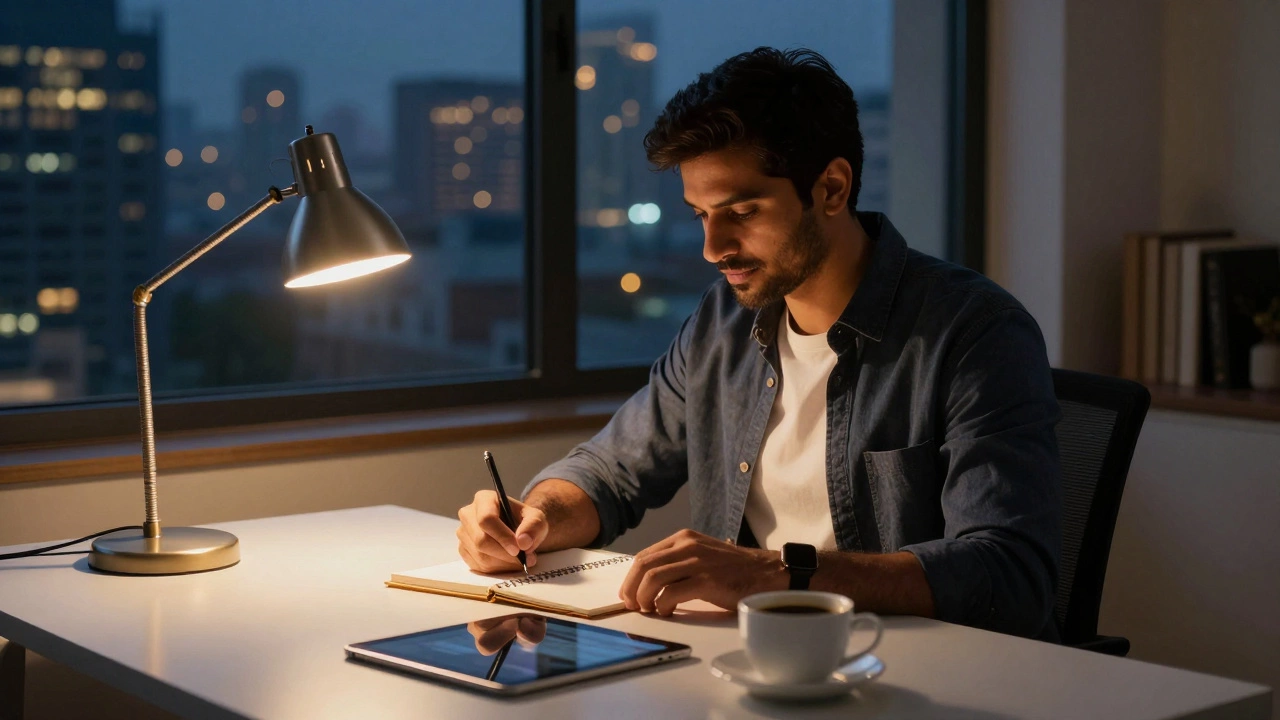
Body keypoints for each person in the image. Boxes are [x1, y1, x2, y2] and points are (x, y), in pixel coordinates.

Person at [456, 47, 1062, 641]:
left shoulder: (974, 333)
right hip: (752, 664)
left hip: (916, 673)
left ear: (831, 188)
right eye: (700, 215)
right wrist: (534, 518)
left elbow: (1010, 575)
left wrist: (773, 576)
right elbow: (611, 472)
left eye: (741, 212)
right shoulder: (722, 322)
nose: (712, 248)